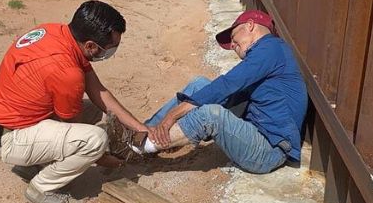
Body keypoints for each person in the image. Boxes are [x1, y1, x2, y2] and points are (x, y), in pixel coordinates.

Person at [0, 0, 148, 203]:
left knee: (93, 110)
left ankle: (32, 164)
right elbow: (72, 125)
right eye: (110, 48)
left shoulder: (55, 33)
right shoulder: (67, 73)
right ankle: (42, 189)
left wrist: (139, 127)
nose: (111, 51)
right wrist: (103, 159)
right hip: (8, 139)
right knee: (95, 140)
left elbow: (98, 91)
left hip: (7, 123)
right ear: (90, 46)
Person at [130, 9, 308, 174]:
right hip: (250, 133)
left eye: (233, 36)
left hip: (268, 150)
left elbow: (227, 85)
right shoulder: (267, 53)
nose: (232, 45)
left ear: (250, 25)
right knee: (199, 84)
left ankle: (140, 147)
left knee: (211, 114)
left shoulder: (271, 48)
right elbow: (227, 94)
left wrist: (173, 116)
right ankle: (141, 132)